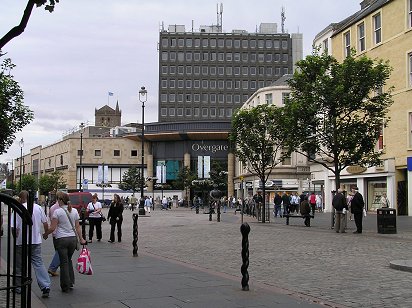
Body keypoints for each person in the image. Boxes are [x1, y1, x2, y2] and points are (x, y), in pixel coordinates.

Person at [43, 192, 86, 292]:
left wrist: (45, 234)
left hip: (62, 239)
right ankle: (70, 282)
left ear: (61, 200)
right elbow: (77, 227)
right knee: (68, 260)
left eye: (58, 199)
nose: (57, 201)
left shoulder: (57, 212)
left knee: (64, 262)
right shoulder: (74, 211)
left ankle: (65, 285)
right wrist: (81, 239)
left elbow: (53, 228)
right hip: (72, 239)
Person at [12, 191, 51, 297]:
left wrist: (15, 236)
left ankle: (18, 287)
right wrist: (45, 234)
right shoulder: (38, 208)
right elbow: (45, 223)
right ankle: (45, 286)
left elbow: (14, 228)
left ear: (20, 198)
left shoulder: (17, 208)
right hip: (35, 241)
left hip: (21, 241)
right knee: (38, 263)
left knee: (19, 265)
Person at [47, 191, 66, 277]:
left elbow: (51, 219)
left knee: (57, 251)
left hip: (54, 233)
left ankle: (57, 268)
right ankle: (53, 267)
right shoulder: (64, 208)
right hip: (62, 233)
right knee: (60, 252)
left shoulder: (52, 208)